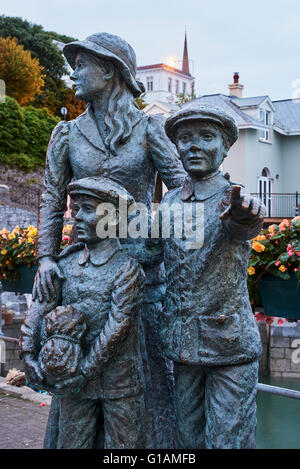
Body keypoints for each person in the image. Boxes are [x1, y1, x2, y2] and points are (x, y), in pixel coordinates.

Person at [32, 32, 186, 448]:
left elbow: (181, 191)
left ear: (109, 70)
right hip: (84, 275)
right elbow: (51, 196)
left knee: (144, 383)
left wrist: (154, 234)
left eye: (81, 63)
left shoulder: (149, 128)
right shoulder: (66, 133)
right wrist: (46, 258)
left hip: (140, 272)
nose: (73, 72)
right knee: (79, 392)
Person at [147, 102, 266, 449]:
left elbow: (244, 222)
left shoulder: (234, 200)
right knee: (186, 437)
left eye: (206, 137)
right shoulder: (168, 204)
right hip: (183, 348)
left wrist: (245, 217)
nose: (193, 145)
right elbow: (149, 256)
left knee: (228, 439)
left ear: (226, 147)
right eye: (185, 138)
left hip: (229, 346)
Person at [20, 177, 146, 449]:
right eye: (75, 209)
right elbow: (41, 305)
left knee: (125, 447)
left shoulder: (127, 269)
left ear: (113, 218)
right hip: (73, 382)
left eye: (87, 209)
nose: (76, 217)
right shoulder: (65, 263)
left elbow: (118, 329)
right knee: (71, 443)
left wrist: (85, 372)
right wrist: (27, 352)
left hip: (118, 383)